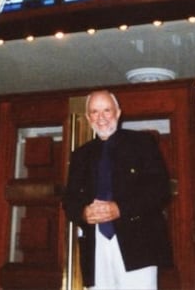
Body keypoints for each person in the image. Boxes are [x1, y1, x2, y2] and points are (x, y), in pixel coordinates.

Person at [62, 90, 173, 289]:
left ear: (118, 112)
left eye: (106, 110)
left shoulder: (142, 143)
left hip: (138, 244)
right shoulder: (80, 155)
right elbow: (69, 199)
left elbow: (160, 189)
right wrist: (83, 212)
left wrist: (120, 208)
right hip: (96, 244)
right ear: (88, 117)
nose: (101, 117)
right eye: (94, 112)